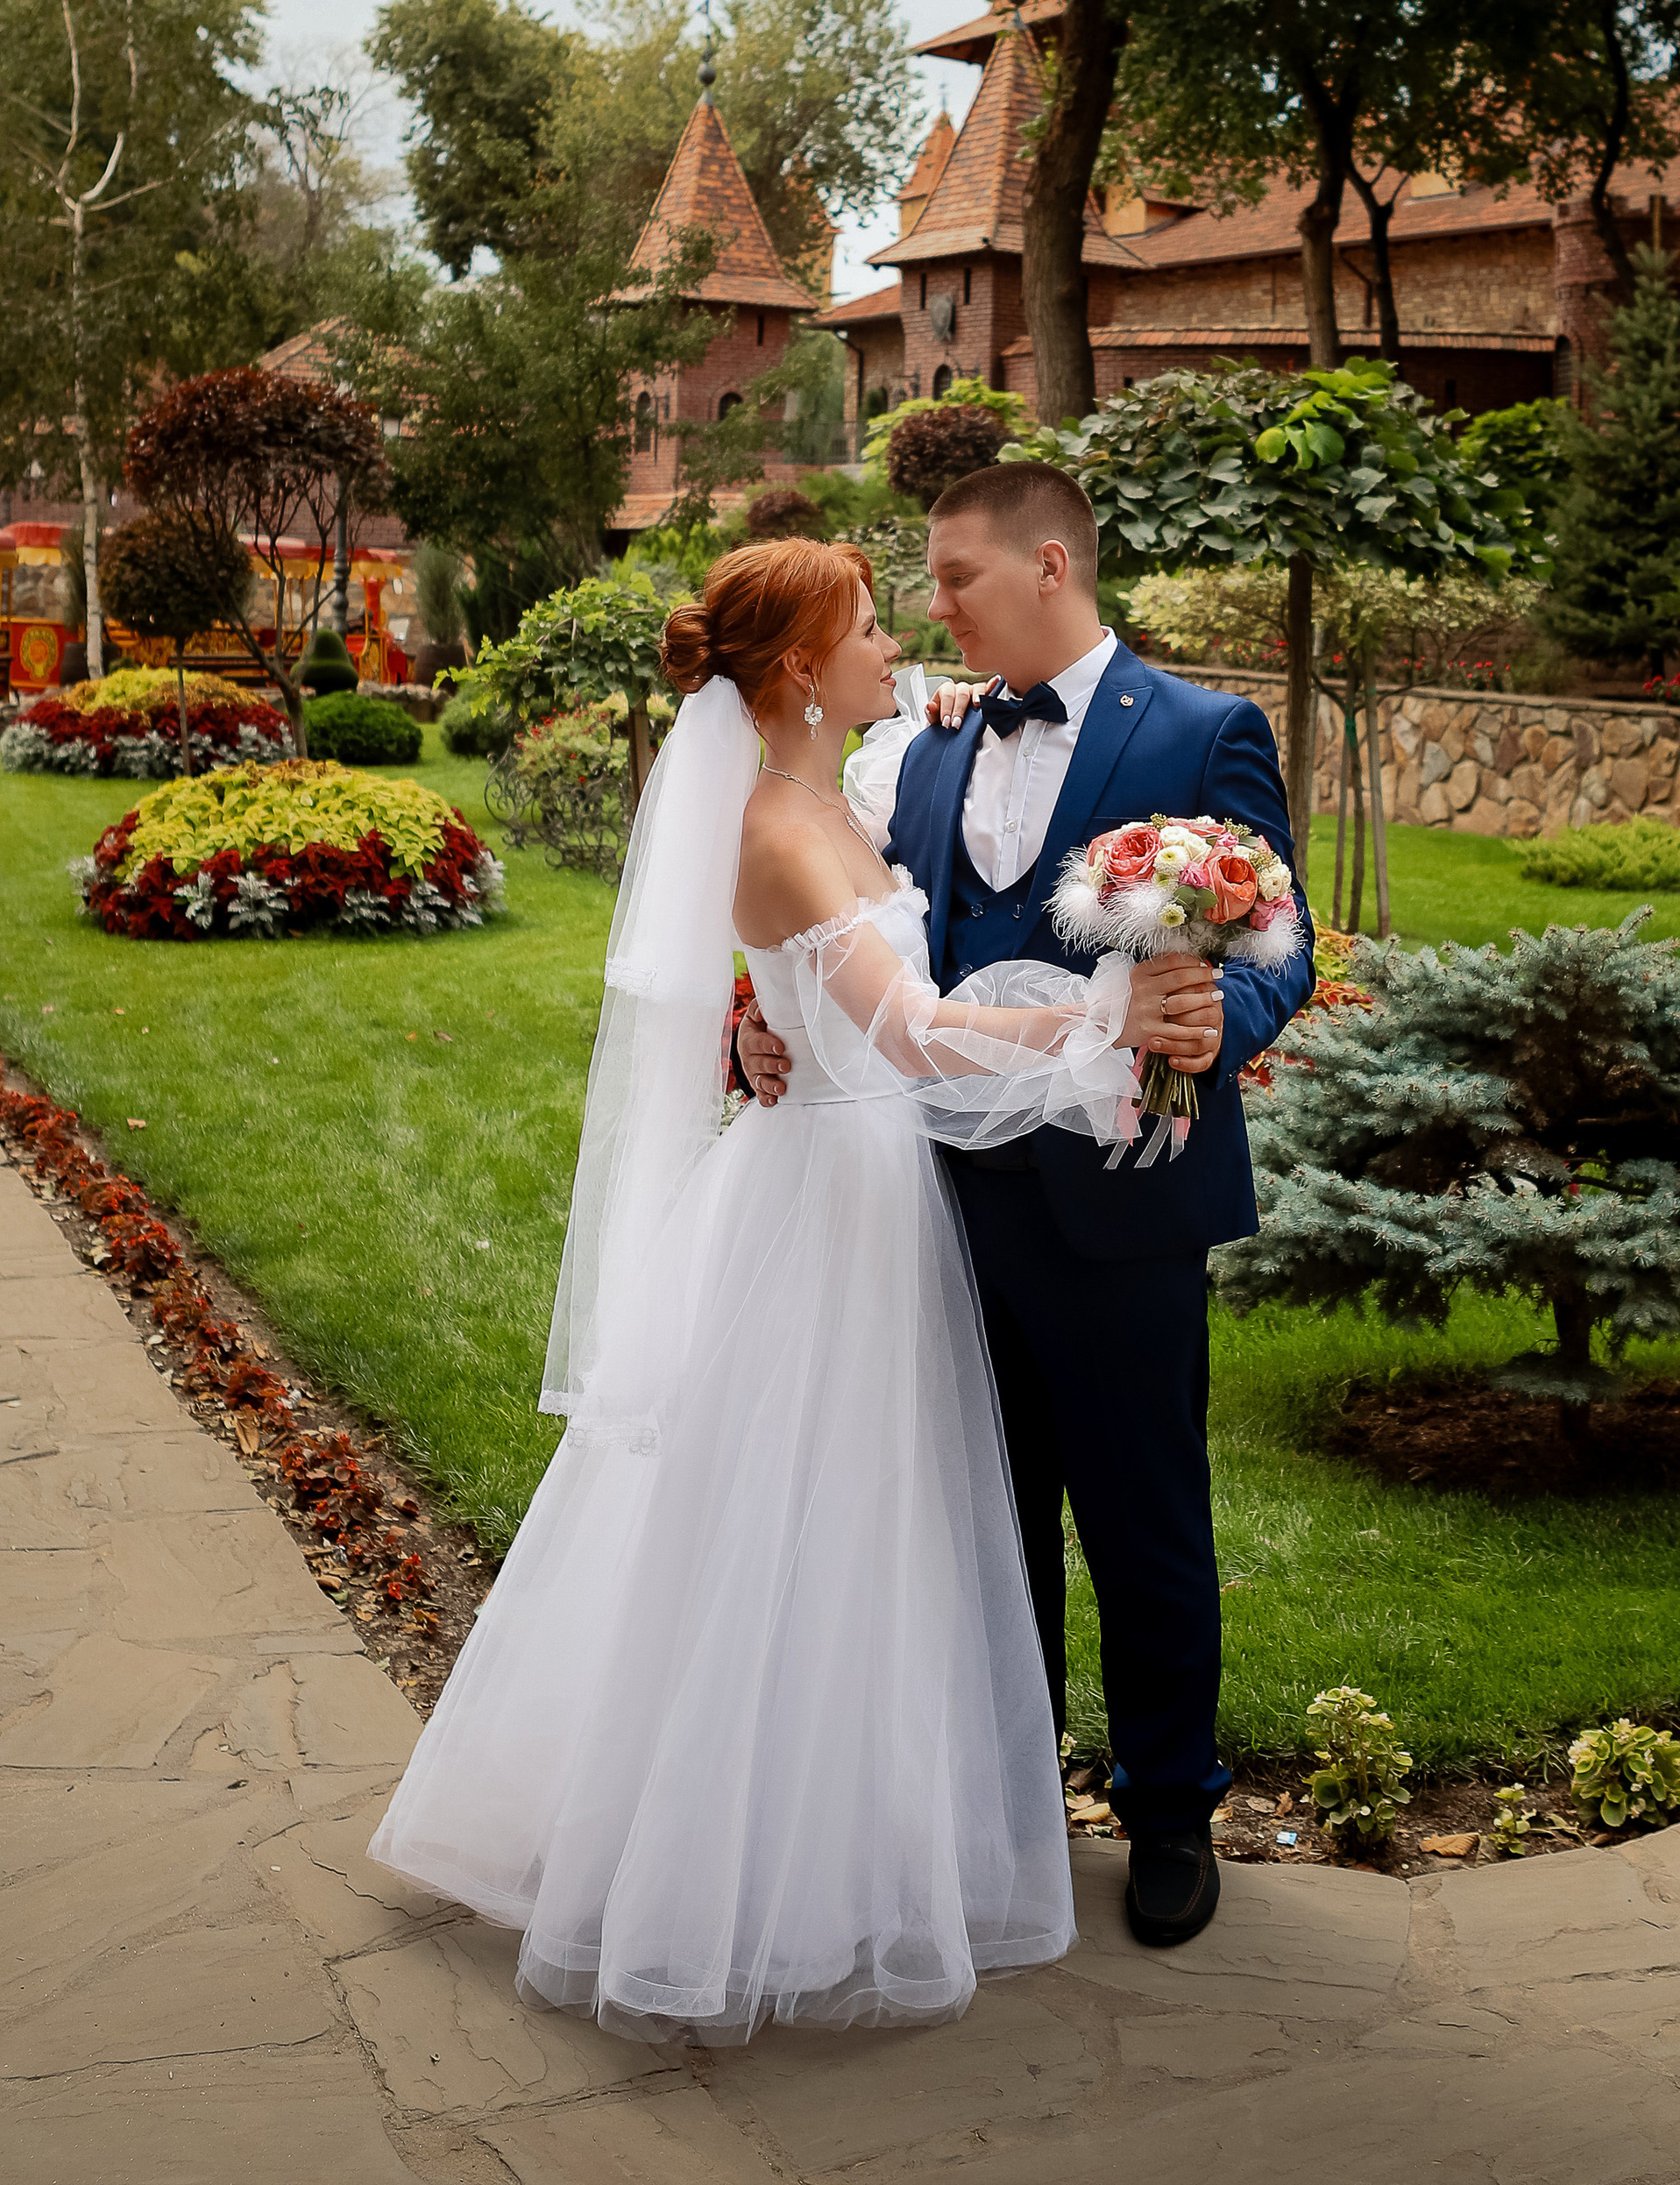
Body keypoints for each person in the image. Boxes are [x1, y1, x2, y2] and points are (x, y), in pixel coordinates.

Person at [368, 536, 1223, 2041]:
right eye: (869, 627)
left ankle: (898, 1822)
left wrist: (782, 1017)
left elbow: (837, 952)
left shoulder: (850, 783)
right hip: (836, 1193)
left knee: (896, 1524)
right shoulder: (776, 827)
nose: (897, 645)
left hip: (883, 1184)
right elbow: (904, 1038)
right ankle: (764, 1867)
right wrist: (1102, 1025)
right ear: (795, 670)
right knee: (807, 1524)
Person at [735, 461, 1315, 1952]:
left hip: (1125, 1201)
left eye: (957, 580)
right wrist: (763, 1018)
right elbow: (866, 941)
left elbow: (1281, 942)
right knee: (983, 1527)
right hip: (933, 1205)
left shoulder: (1199, 731)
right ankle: (1011, 1805)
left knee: (1144, 1517)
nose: (934, 610)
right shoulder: (921, 750)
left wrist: (1214, 1029)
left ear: (1049, 567)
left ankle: (1173, 1808)